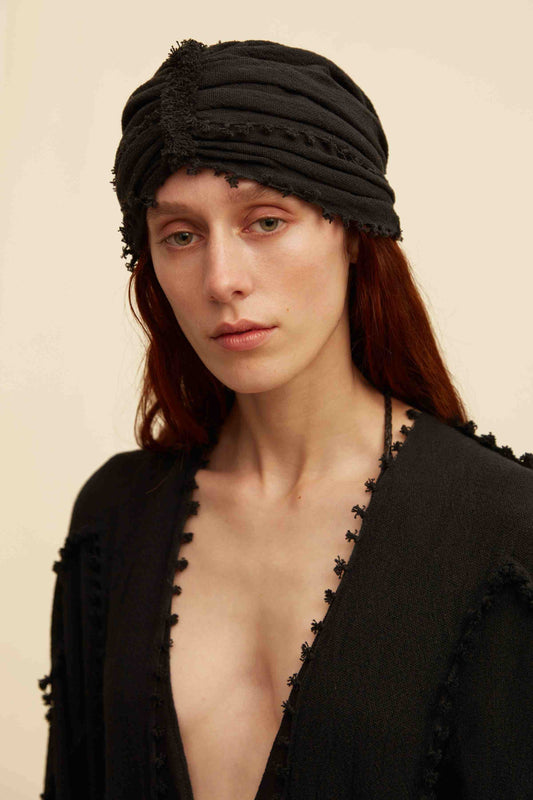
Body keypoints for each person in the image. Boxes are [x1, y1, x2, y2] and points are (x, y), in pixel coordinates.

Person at [39, 38, 533, 800]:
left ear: (354, 232)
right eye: (180, 235)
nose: (222, 279)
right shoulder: (114, 519)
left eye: (265, 221)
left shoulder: (505, 531)